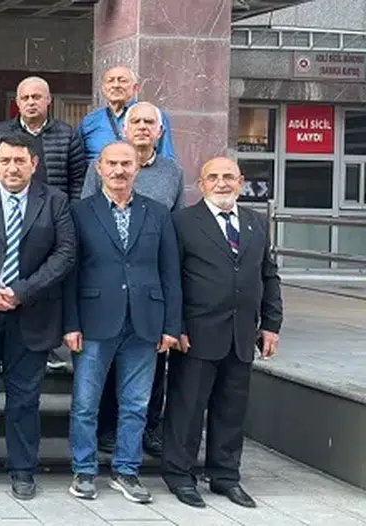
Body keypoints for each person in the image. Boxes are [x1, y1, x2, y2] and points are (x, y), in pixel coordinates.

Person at [0, 133, 76, 501]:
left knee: (25, 398)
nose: (12, 167)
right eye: (5, 160)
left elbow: (65, 253)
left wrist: (21, 291)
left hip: (32, 314)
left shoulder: (55, 201)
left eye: (20, 160)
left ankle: (23, 470)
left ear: (34, 164)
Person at [63, 142, 181, 503]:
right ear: (99, 168)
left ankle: (126, 471)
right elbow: (70, 272)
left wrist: (171, 326)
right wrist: (70, 323)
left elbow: (170, 273)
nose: (119, 170)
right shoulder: (79, 212)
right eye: (112, 163)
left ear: (136, 169)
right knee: (86, 403)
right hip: (94, 320)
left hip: (145, 322)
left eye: (126, 164)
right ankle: (84, 470)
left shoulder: (157, 212)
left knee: (136, 404)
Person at [162, 157, 282, 509]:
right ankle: (180, 475)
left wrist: (271, 324)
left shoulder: (256, 223)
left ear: (241, 182)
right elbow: (171, 279)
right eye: (212, 177)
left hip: (241, 334)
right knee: (187, 408)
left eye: (228, 176)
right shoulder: (182, 222)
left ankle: (225, 476)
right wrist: (176, 326)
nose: (221, 183)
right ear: (200, 185)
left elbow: (268, 275)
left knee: (231, 410)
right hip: (196, 335)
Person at [81, 101, 185, 456]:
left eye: (149, 122)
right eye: (135, 121)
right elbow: (87, 217)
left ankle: (147, 433)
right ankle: (106, 432)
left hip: (148, 284)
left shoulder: (172, 172)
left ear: (160, 131)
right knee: (104, 372)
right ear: (124, 129)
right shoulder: (100, 166)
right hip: (106, 285)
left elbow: (176, 227)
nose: (142, 127)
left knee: (149, 374)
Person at [0, 77, 86, 200]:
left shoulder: (67, 134)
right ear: (17, 102)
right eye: (25, 98)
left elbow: (78, 180)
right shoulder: (1, 133)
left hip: (55, 206)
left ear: (49, 99)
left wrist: (70, 207)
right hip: (13, 206)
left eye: (36, 97)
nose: (31, 102)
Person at [79, 66, 175, 163]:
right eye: (110, 81)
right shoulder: (89, 121)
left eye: (122, 81)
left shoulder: (152, 116)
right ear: (103, 88)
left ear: (135, 88)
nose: (116, 85)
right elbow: (78, 164)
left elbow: (167, 161)